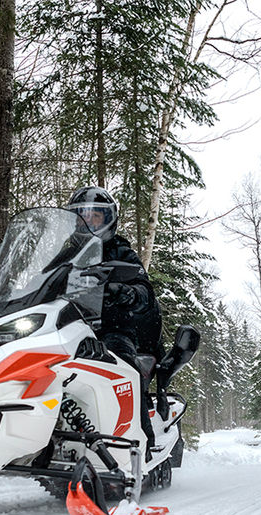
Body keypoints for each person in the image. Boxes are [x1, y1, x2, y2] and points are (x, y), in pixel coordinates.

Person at [66, 186, 162, 447]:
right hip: (65, 328)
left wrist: (129, 293)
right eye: (81, 216)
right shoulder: (64, 255)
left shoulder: (121, 252)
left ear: (108, 220)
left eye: (95, 216)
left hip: (112, 328)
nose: (88, 222)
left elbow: (144, 290)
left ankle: (142, 443)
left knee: (125, 369)